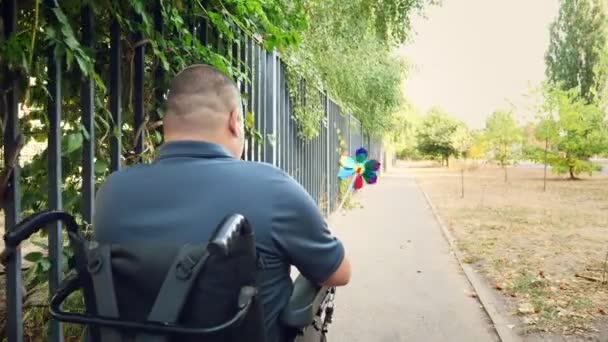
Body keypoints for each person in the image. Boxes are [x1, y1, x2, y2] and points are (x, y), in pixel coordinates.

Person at [92, 64, 351, 341]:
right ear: (234, 121)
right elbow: (339, 271)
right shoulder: (272, 188)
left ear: (167, 125)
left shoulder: (112, 192)